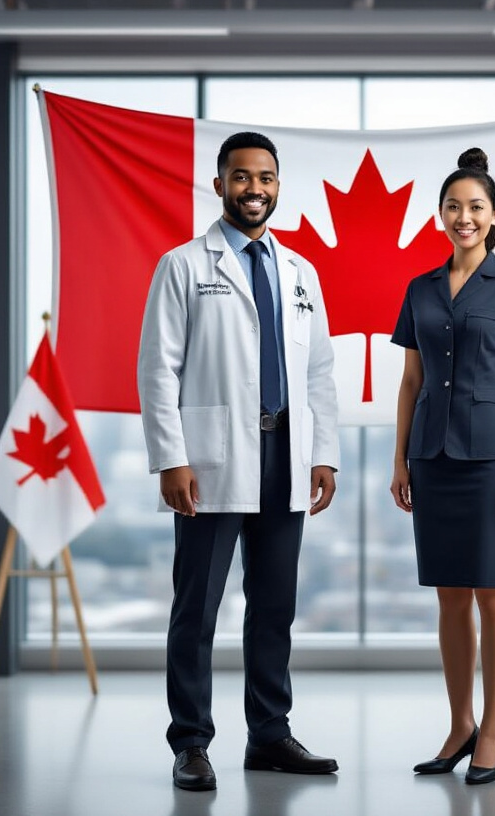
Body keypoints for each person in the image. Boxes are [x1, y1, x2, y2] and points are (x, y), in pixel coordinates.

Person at [137, 131, 340, 792]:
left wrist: (324, 455)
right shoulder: (184, 266)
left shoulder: (300, 272)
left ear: (278, 186)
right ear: (219, 183)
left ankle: (270, 734)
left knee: (273, 604)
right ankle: (191, 742)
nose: (256, 189)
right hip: (211, 458)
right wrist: (171, 458)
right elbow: (157, 370)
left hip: (287, 452)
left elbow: (319, 374)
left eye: (267, 178)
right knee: (197, 609)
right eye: (242, 177)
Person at [390, 148, 495, 786]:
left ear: (493, 216)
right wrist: (401, 459)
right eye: (453, 207)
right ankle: (459, 724)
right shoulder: (420, 288)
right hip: (431, 455)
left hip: (491, 457)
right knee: (450, 595)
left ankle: (490, 731)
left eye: (475, 207)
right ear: (439, 216)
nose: (464, 216)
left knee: (493, 592)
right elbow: (409, 381)